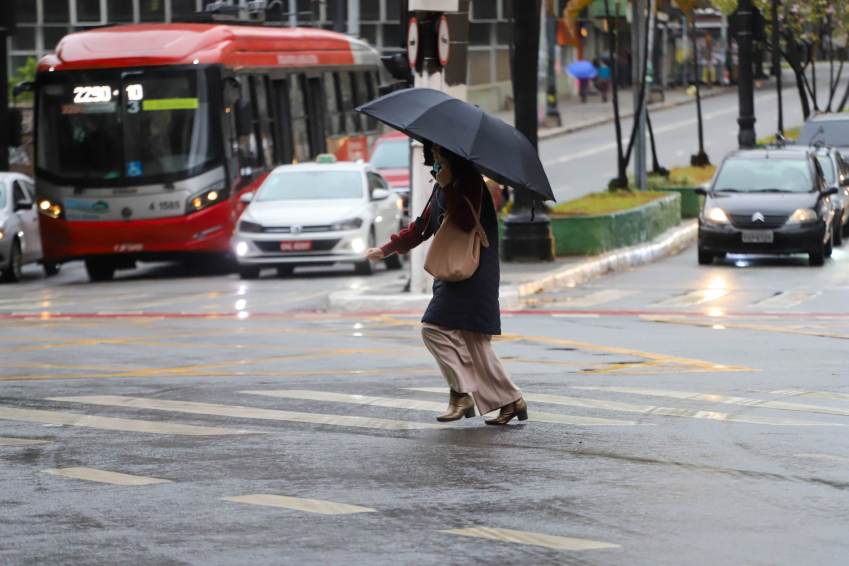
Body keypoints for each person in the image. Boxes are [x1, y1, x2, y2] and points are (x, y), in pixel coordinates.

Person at [366, 144, 528, 426]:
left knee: (434, 330)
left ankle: (462, 393)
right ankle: (511, 400)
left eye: (441, 153)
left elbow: (465, 222)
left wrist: (449, 186)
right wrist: (387, 249)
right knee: (475, 344)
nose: (435, 158)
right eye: (434, 153)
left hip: (474, 273)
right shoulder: (443, 185)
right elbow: (422, 226)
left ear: (454, 155)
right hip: (452, 273)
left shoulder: (470, 183)